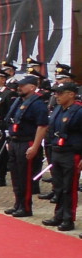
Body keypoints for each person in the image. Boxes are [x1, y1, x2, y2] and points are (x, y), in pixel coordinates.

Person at [3, 73, 49, 217]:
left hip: (27, 142)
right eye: (19, 85)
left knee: (25, 176)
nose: (20, 88)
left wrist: (35, 146)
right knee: (16, 175)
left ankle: (26, 206)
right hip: (15, 141)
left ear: (33, 87)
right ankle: (18, 203)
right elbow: (11, 121)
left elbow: (42, 126)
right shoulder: (19, 101)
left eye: (23, 86)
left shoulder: (38, 104)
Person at [41, 80, 82, 231]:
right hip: (57, 151)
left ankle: (68, 218)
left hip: (71, 153)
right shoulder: (58, 109)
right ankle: (58, 215)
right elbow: (51, 129)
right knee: (58, 186)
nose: (56, 96)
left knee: (68, 188)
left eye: (60, 93)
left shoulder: (78, 111)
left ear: (71, 94)